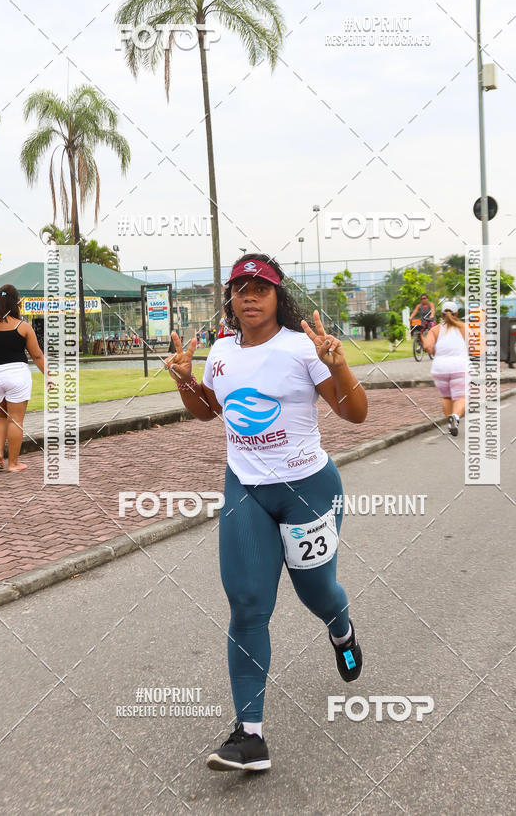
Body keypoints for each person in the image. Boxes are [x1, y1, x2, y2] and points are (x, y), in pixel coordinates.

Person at [164, 253, 368, 771]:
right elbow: (208, 410)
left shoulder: (302, 347)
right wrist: (185, 380)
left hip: (308, 488)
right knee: (248, 603)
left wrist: (338, 363)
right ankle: (250, 736)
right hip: (245, 489)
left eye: (262, 288)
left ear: (279, 296)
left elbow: (356, 413)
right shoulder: (221, 351)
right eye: (241, 288)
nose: (250, 296)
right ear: (230, 300)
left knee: (316, 592)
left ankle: (341, 628)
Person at [0, 284, 46, 472]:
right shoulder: (23, 326)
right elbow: (37, 355)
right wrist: (49, 376)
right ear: (16, 302)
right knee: (15, 420)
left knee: (2, 416)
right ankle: (13, 463)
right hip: (17, 375)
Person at [423, 300, 466, 437]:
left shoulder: (435, 330)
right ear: (456, 314)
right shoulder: (464, 327)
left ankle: (449, 423)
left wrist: (433, 349)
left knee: (446, 397)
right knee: (461, 397)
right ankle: (455, 416)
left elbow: (427, 347)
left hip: (440, 368)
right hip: (459, 367)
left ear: (441, 315)